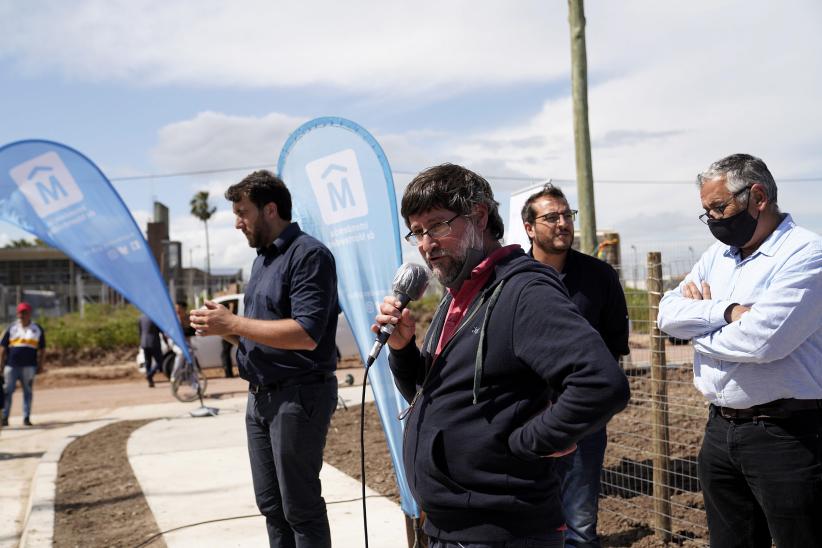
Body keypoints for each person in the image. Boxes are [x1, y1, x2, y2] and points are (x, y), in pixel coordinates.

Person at [373, 164, 630, 547]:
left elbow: (600, 384)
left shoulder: (524, 290)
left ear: (478, 216)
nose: (426, 244)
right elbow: (427, 393)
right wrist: (402, 348)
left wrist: (524, 443)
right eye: (418, 232)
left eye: (437, 225)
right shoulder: (461, 294)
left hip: (502, 533)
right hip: (451, 528)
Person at [657, 153, 822, 547]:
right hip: (720, 431)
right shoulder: (719, 257)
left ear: (758, 196)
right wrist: (727, 312)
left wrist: (697, 329)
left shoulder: (805, 254)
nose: (713, 219)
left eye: (719, 207)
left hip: (787, 436)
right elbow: (667, 314)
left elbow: (763, 342)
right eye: (707, 211)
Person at [190, 170, 339, 548]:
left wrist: (234, 320)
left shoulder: (309, 255)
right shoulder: (261, 262)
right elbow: (257, 334)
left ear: (270, 209)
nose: (238, 223)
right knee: (271, 505)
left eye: (243, 212)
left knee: (300, 509)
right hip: (260, 398)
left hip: (298, 396)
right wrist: (220, 327)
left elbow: (306, 335)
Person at [521, 183, 629, 548]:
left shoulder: (599, 276)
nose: (563, 223)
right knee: (523, 522)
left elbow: (613, 346)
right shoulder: (511, 278)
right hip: (520, 422)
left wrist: (581, 406)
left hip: (580, 423)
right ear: (529, 228)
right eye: (551, 217)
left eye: (567, 215)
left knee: (580, 526)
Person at [1, 302, 46, 427]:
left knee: (27, 391)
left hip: (29, 366)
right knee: (7, 391)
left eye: (24, 312)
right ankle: (4, 418)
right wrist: (1, 364)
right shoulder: (11, 328)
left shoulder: (37, 329)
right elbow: (3, 348)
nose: (22, 315)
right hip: (11, 366)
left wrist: (41, 365)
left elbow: (42, 349)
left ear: (29, 314)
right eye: (20, 312)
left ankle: (26, 417)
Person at [138, 313, 163, 388]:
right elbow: (160, 330)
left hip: (144, 342)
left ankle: (150, 381)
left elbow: (140, 332)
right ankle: (150, 375)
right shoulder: (155, 317)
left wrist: (141, 342)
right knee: (160, 361)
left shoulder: (141, 317)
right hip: (154, 342)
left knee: (148, 362)